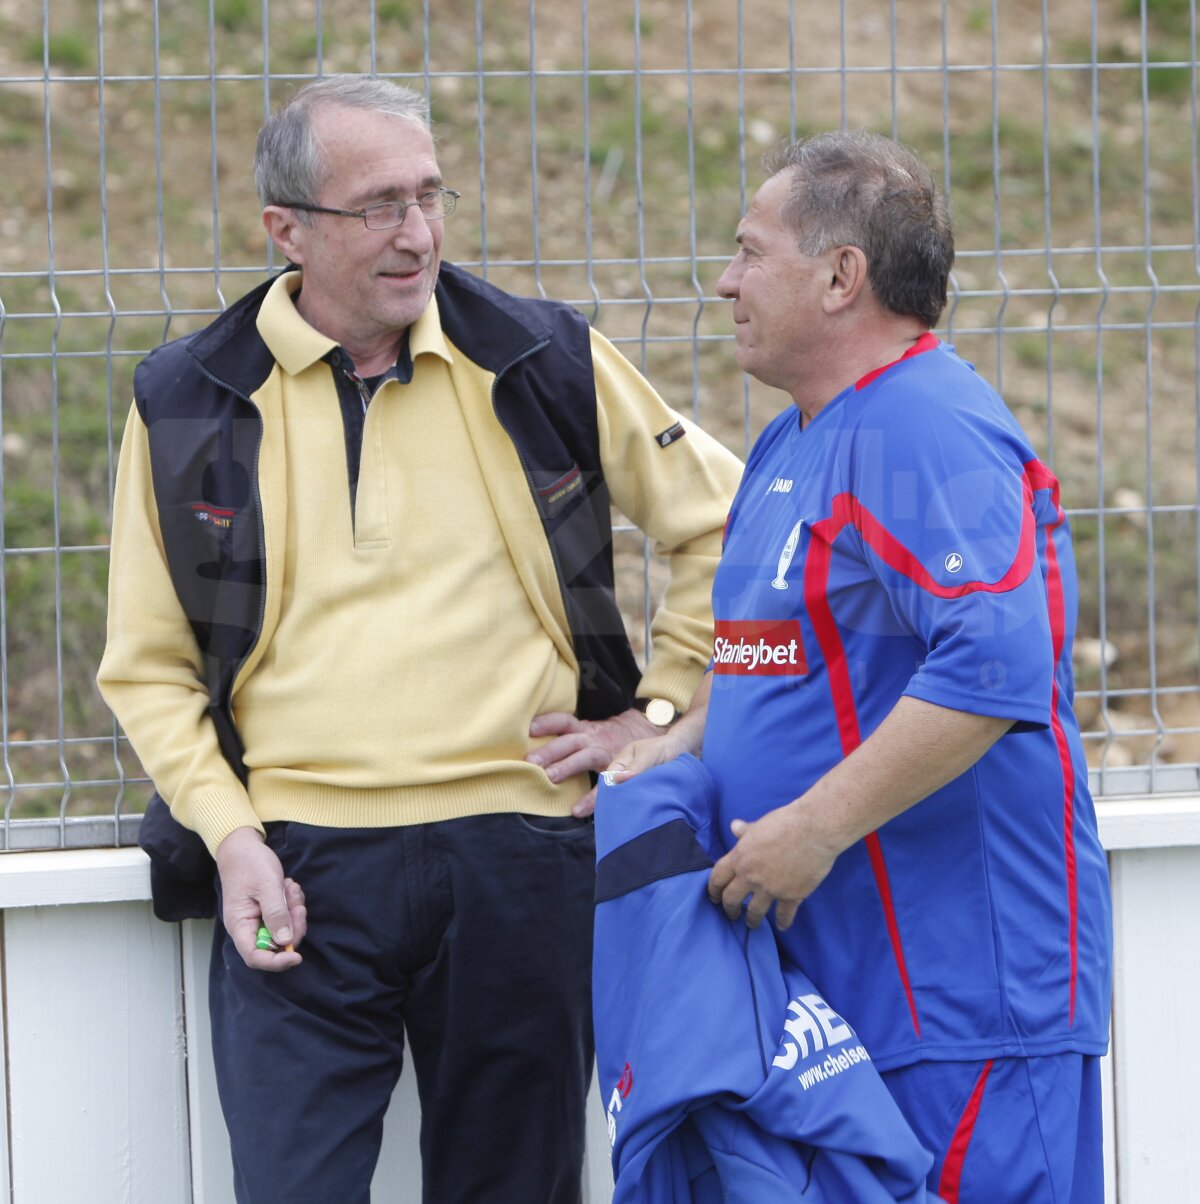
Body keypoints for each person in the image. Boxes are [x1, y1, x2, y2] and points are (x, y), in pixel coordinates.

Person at [97, 74, 742, 1204]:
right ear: (286, 228)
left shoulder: (541, 358)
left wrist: (660, 719)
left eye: (432, 195)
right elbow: (145, 665)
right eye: (380, 205)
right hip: (294, 862)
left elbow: (730, 525)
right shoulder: (187, 398)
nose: (420, 233)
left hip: (524, 849)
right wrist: (231, 833)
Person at [607, 130, 1112, 1202]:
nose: (724, 279)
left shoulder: (929, 426)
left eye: (750, 251)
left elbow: (995, 663)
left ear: (842, 277)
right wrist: (663, 744)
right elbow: (761, 662)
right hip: (842, 993)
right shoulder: (797, 440)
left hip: (964, 997)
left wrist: (817, 826)